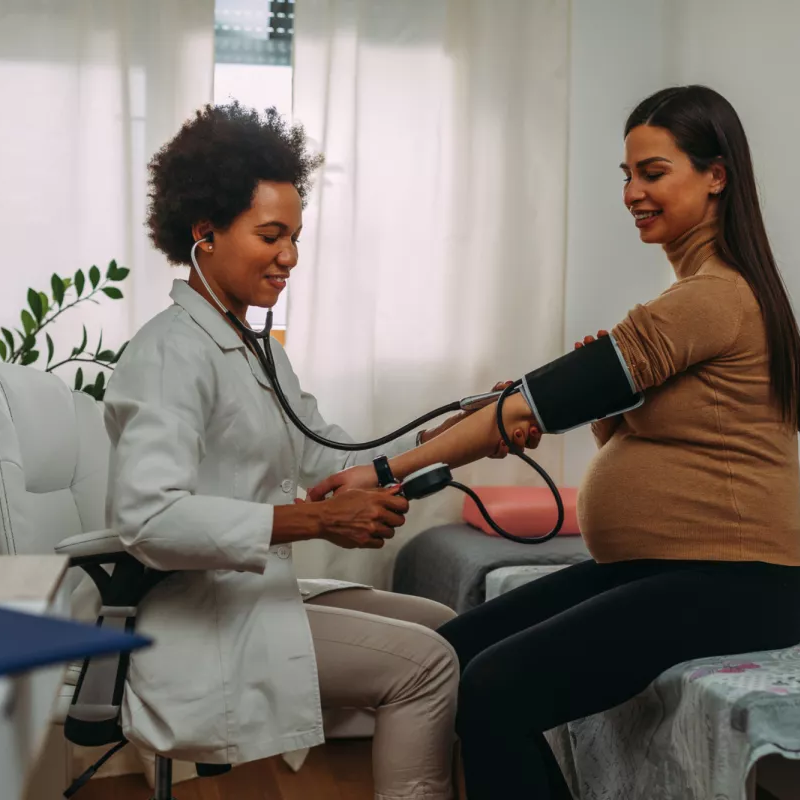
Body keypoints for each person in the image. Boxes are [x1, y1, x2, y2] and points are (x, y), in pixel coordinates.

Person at [308, 85, 800, 799]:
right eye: (627, 175)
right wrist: (594, 412)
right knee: (449, 655)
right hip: (660, 567)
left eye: (654, 172)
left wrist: (385, 471)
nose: (634, 192)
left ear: (716, 175)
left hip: (739, 584)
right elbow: (648, 431)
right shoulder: (698, 297)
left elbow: (533, 402)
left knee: (495, 687)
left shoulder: (713, 298)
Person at [103, 101, 532, 799]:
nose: (290, 257)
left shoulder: (250, 350)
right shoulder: (168, 355)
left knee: (447, 629)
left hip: (242, 595)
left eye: (297, 237)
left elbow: (332, 455)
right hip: (196, 617)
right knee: (425, 665)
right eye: (272, 235)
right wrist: (313, 521)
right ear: (204, 231)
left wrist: (457, 433)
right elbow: (147, 520)